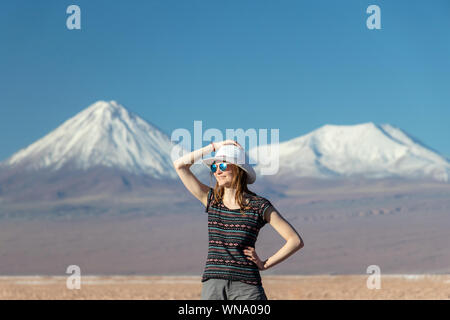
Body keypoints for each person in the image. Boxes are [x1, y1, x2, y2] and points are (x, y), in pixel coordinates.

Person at [173, 139, 304, 300]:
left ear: (238, 169)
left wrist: (265, 264)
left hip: (247, 287)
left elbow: (295, 240)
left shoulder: (259, 206)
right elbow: (180, 165)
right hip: (213, 284)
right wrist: (214, 147)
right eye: (214, 167)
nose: (217, 172)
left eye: (222, 166)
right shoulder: (212, 200)